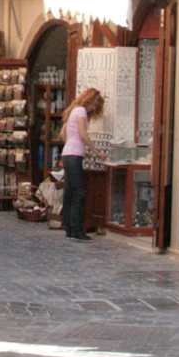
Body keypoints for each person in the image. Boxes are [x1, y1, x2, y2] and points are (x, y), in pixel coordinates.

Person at [59, 87, 105, 241]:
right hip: (74, 155)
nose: (95, 107)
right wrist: (97, 152)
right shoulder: (81, 111)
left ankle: (69, 227)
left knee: (70, 192)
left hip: (68, 154)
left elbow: (63, 134)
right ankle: (78, 229)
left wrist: (72, 145)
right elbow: (83, 134)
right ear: (90, 100)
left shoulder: (73, 111)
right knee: (79, 192)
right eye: (95, 104)